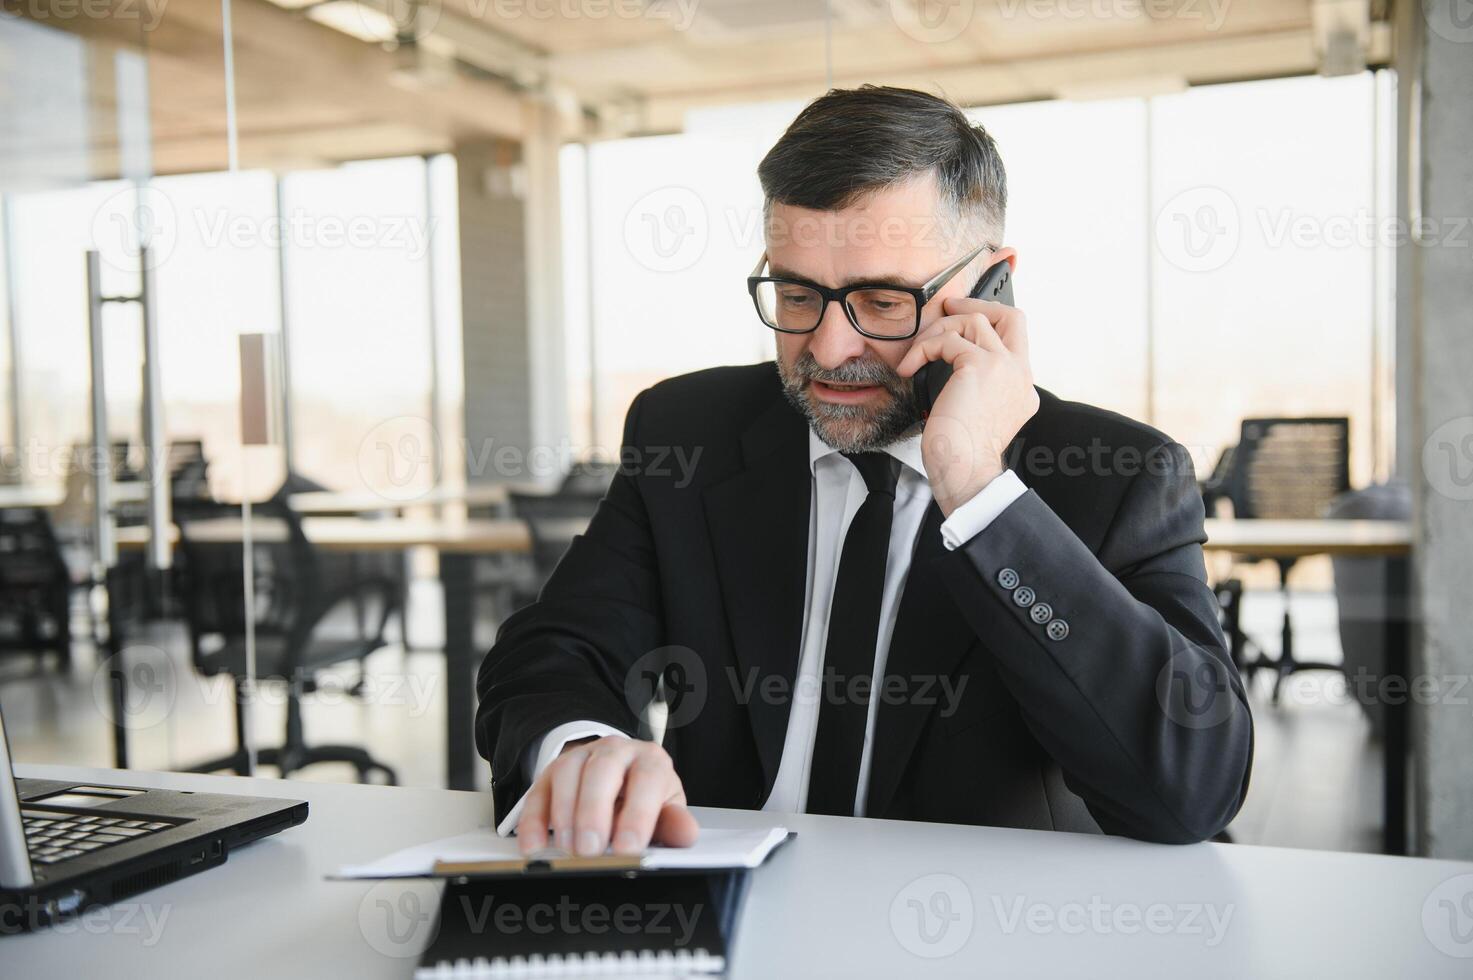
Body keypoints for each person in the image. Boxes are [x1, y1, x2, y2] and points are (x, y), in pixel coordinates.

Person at [476, 84, 1253, 858]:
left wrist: (980, 492)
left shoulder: (1116, 476)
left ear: (992, 285)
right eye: (796, 293)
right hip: (730, 923)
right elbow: (552, 653)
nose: (827, 349)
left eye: (881, 302)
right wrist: (580, 752)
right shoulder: (688, 433)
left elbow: (1191, 788)